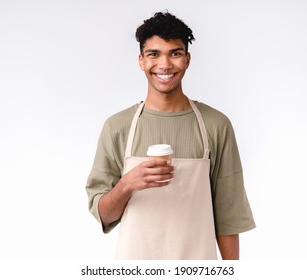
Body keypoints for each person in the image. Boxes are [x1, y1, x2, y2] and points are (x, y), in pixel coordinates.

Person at [86, 11, 255, 260]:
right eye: (154, 54)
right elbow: (104, 214)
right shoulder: (117, 127)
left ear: (187, 59)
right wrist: (127, 184)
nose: (164, 65)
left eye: (174, 53)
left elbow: (228, 216)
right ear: (141, 60)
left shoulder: (216, 125)